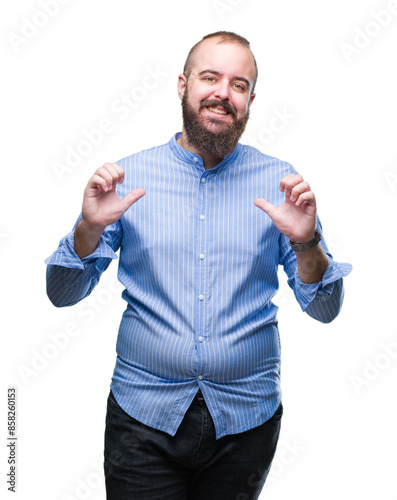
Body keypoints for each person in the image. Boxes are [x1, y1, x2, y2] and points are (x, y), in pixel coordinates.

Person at [45, 31, 352, 500]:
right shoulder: (126, 180)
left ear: (250, 99)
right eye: (211, 77)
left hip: (246, 422)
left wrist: (307, 241)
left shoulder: (281, 183)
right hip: (142, 418)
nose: (223, 93)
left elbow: (325, 309)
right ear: (184, 85)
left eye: (239, 84)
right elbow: (61, 293)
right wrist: (87, 231)